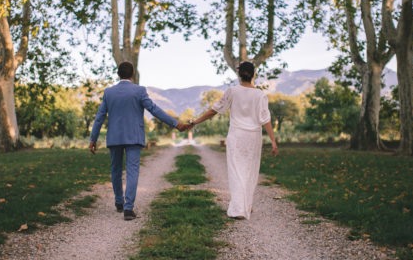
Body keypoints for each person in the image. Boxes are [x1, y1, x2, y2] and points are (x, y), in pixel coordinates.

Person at [89, 61, 191, 221]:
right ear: (133, 74)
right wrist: (176, 123)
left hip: (114, 137)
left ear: (118, 74)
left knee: (115, 169)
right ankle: (128, 209)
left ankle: (118, 202)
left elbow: (99, 117)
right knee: (132, 171)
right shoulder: (139, 91)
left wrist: (93, 139)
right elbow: (154, 110)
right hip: (134, 137)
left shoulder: (109, 92)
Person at [190, 61, 278, 219]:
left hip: (236, 136)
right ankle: (246, 206)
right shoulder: (260, 95)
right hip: (253, 137)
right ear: (253, 75)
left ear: (239, 74)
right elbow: (266, 119)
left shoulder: (232, 91)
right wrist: (273, 140)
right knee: (250, 172)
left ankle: (239, 209)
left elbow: (213, 111)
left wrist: (195, 122)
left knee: (237, 171)